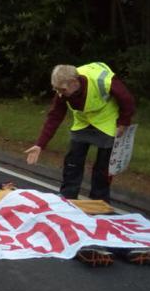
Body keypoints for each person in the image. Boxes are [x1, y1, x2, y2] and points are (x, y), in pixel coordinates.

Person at [24, 63, 135, 202]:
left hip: (106, 118)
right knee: (73, 159)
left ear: (74, 82)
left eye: (62, 89)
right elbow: (54, 117)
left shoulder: (103, 81)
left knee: (103, 165)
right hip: (83, 119)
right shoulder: (62, 91)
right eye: (56, 89)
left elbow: (128, 101)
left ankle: (99, 199)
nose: (59, 93)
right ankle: (68, 195)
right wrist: (40, 145)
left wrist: (123, 122)